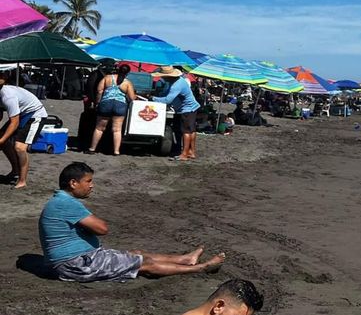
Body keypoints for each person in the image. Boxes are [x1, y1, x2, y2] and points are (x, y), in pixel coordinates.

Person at [38, 162, 225, 282]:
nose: (92, 185)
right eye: (88, 181)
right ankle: (201, 268)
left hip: (77, 260)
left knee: (136, 253)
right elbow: (102, 228)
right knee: (145, 264)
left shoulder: (59, 201)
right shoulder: (66, 204)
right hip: (76, 265)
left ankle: (185, 259)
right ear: (73, 183)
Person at [0, 72, 48, 188]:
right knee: (3, 138)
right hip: (22, 113)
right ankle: (15, 171)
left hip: (35, 114)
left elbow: (14, 122)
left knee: (20, 147)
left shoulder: (7, 96)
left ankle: (22, 181)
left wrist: (0, 141)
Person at [152, 66, 201, 161]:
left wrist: (153, 98)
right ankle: (191, 152)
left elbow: (168, 100)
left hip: (187, 109)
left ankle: (184, 154)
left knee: (186, 131)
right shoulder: (179, 81)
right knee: (191, 130)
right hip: (192, 108)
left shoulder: (176, 85)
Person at [87, 64, 137, 156]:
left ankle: (92, 148)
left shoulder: (107, 78)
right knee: (117, 130)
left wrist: (97, 102)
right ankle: (116, 151)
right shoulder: (127, 83)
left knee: (99, 128)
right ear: (128, 73)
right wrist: (135, 95)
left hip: (106, 104)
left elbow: (99, 91)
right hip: (120, 105)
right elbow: (131, 98)